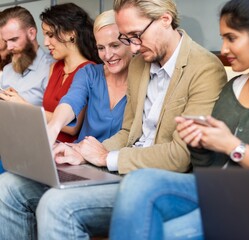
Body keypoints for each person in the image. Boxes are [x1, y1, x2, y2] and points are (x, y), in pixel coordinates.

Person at [0, 0, 227, 239]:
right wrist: (80, 151)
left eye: (135, 35)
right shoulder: (141, 63)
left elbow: (181, 156)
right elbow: (128, 132)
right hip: (120, 169)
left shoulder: (204, 68)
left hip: (159, 179)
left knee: (56, 206)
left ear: (165, 19)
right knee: (8, 187)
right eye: (128, 39)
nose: (135, 48)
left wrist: (106, 157)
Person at [108, 0, 249, 239]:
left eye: (231, 38)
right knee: (138, 182)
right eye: (223, 38)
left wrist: (233, 147)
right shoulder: (231, 89)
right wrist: (199, 144)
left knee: (166, 233)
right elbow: (206, 169)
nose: (223, 50)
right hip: (213, 190)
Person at [48, 9, 131, 157]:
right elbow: (72, 100)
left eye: (115, 45)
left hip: (115, 164)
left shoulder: (145, 81)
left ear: (130, 42)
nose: (108, 55)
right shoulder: (89, 73)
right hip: (78, 159)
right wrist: (54, 126)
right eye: (101, 48)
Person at [40, 3, 101, 143]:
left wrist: (27, 107)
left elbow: (73, 127)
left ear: (71, 34)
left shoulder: (89, 71)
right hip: (46, 143)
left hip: (67, 150)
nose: (45, 42)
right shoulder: (55, 67)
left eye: (50, 35)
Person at [0, 6, 53, 106]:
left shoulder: (52, 69)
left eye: (14, 39)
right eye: (6, 41)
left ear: (31, 33)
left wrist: (22, 105)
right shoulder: (7, 70)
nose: (9, 47)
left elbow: (58, 119)